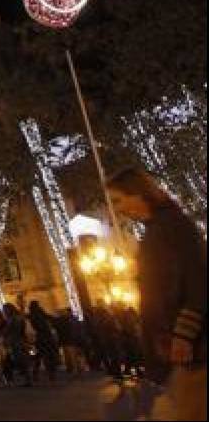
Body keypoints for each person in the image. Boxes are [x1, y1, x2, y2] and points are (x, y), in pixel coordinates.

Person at [109, 167, 207, 421]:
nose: (117, 208)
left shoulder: (175, 226)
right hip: (176, 351)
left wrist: (185, 332)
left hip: (194, 350)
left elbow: (198, 280)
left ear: (138, 194)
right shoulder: (154, 231)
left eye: (119, 199)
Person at [27, 301, 60, 384]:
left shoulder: (32, 315)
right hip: (46, 337)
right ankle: (50, 374)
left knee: (38, 356)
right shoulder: (40, 314)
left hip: (39, 338)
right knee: (47, 356)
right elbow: (52, 318)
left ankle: (36, 374)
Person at [1, 303, 33, 386]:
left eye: (5, 310)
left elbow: (10, 330)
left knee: (20, 360)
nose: (4, 312)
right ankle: (27, 379)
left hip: (16, 341)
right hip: (19, 341)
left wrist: (4, 334)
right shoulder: (17, 318)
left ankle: (27, 379)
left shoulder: (13, 319)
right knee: (22, 360)